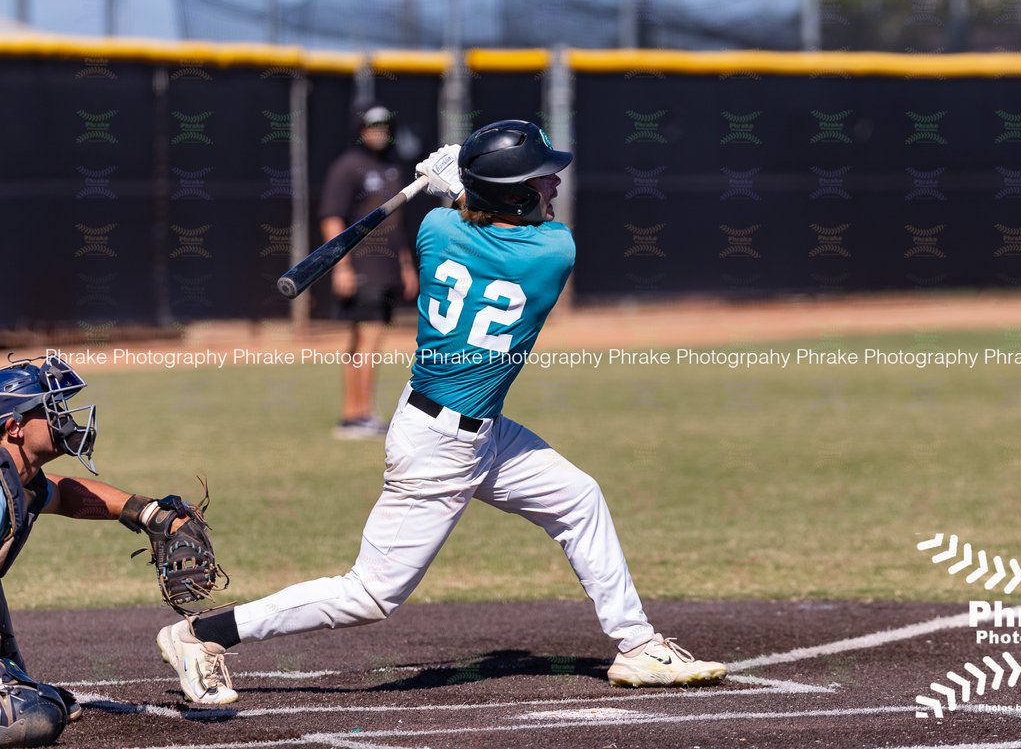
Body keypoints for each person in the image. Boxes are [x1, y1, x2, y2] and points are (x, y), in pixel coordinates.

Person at [156, 120, 726, 705]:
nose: (553, 183)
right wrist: (457, 180)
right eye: (540, 178)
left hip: (473, 431)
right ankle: (200, 635)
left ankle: (637, 645)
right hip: (439, 448)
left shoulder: (435, 229)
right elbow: (485, 216)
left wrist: (455, 184)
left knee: (578, 498)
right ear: (514, 195)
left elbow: (464, 215)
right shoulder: (553, 251)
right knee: (369, 596)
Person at [0, 356, 207, 742]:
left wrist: (146, 512)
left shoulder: (17, 479)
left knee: (37, 704)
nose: (63, 417)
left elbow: (63, 494)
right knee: (32, 718)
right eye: (49, 408)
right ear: (14, 427)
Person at [320, 104, 420, 439]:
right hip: (362, 266)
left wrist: (405, 265)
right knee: (367, 339)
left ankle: (355, 414)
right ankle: (359, 414)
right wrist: (341, 266)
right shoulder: (347, 167)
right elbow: (332, 218)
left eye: (385, 127)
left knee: (367, 339)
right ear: (361, 130)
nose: (379, 133)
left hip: (388, 267)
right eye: (373, 127)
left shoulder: (392, 168)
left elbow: (397, 224)